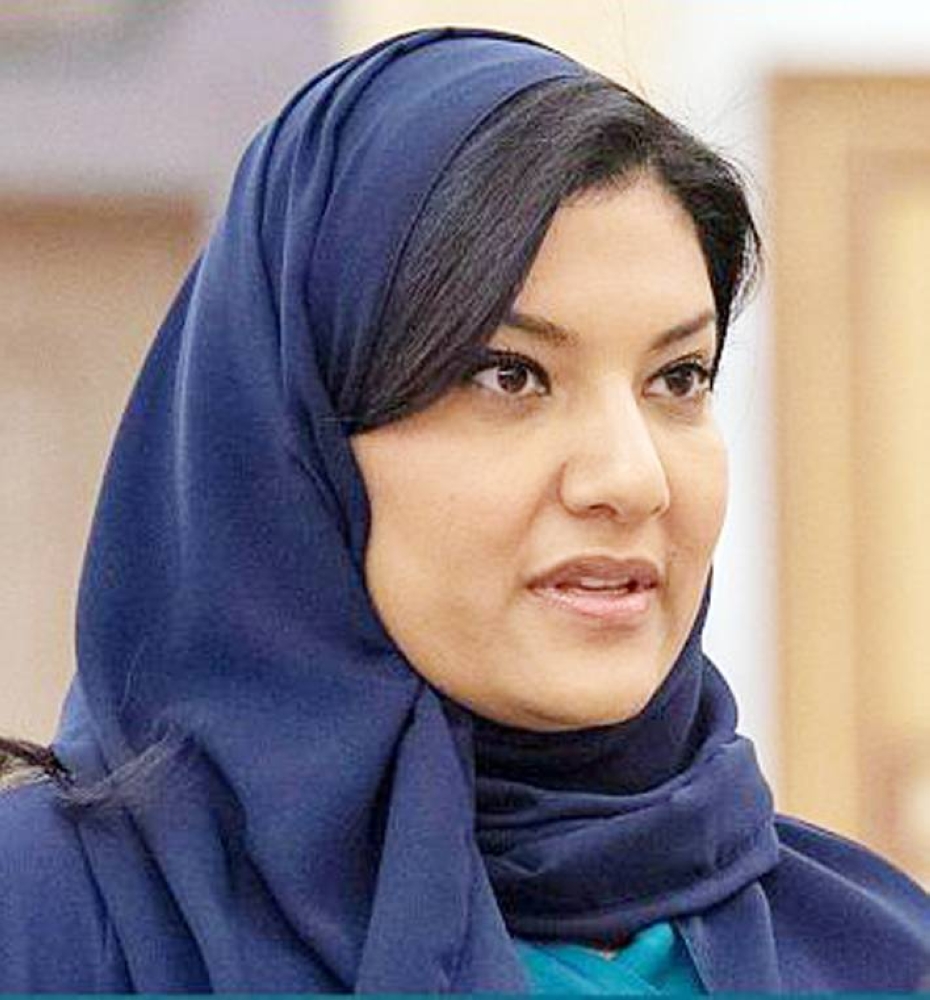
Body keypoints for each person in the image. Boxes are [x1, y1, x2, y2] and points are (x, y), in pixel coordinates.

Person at [0, 26, 927, 994]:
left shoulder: (873, 955)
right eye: (509, 375)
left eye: (679, 376)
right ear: (301, 442)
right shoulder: (58, 926)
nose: (632, 478)